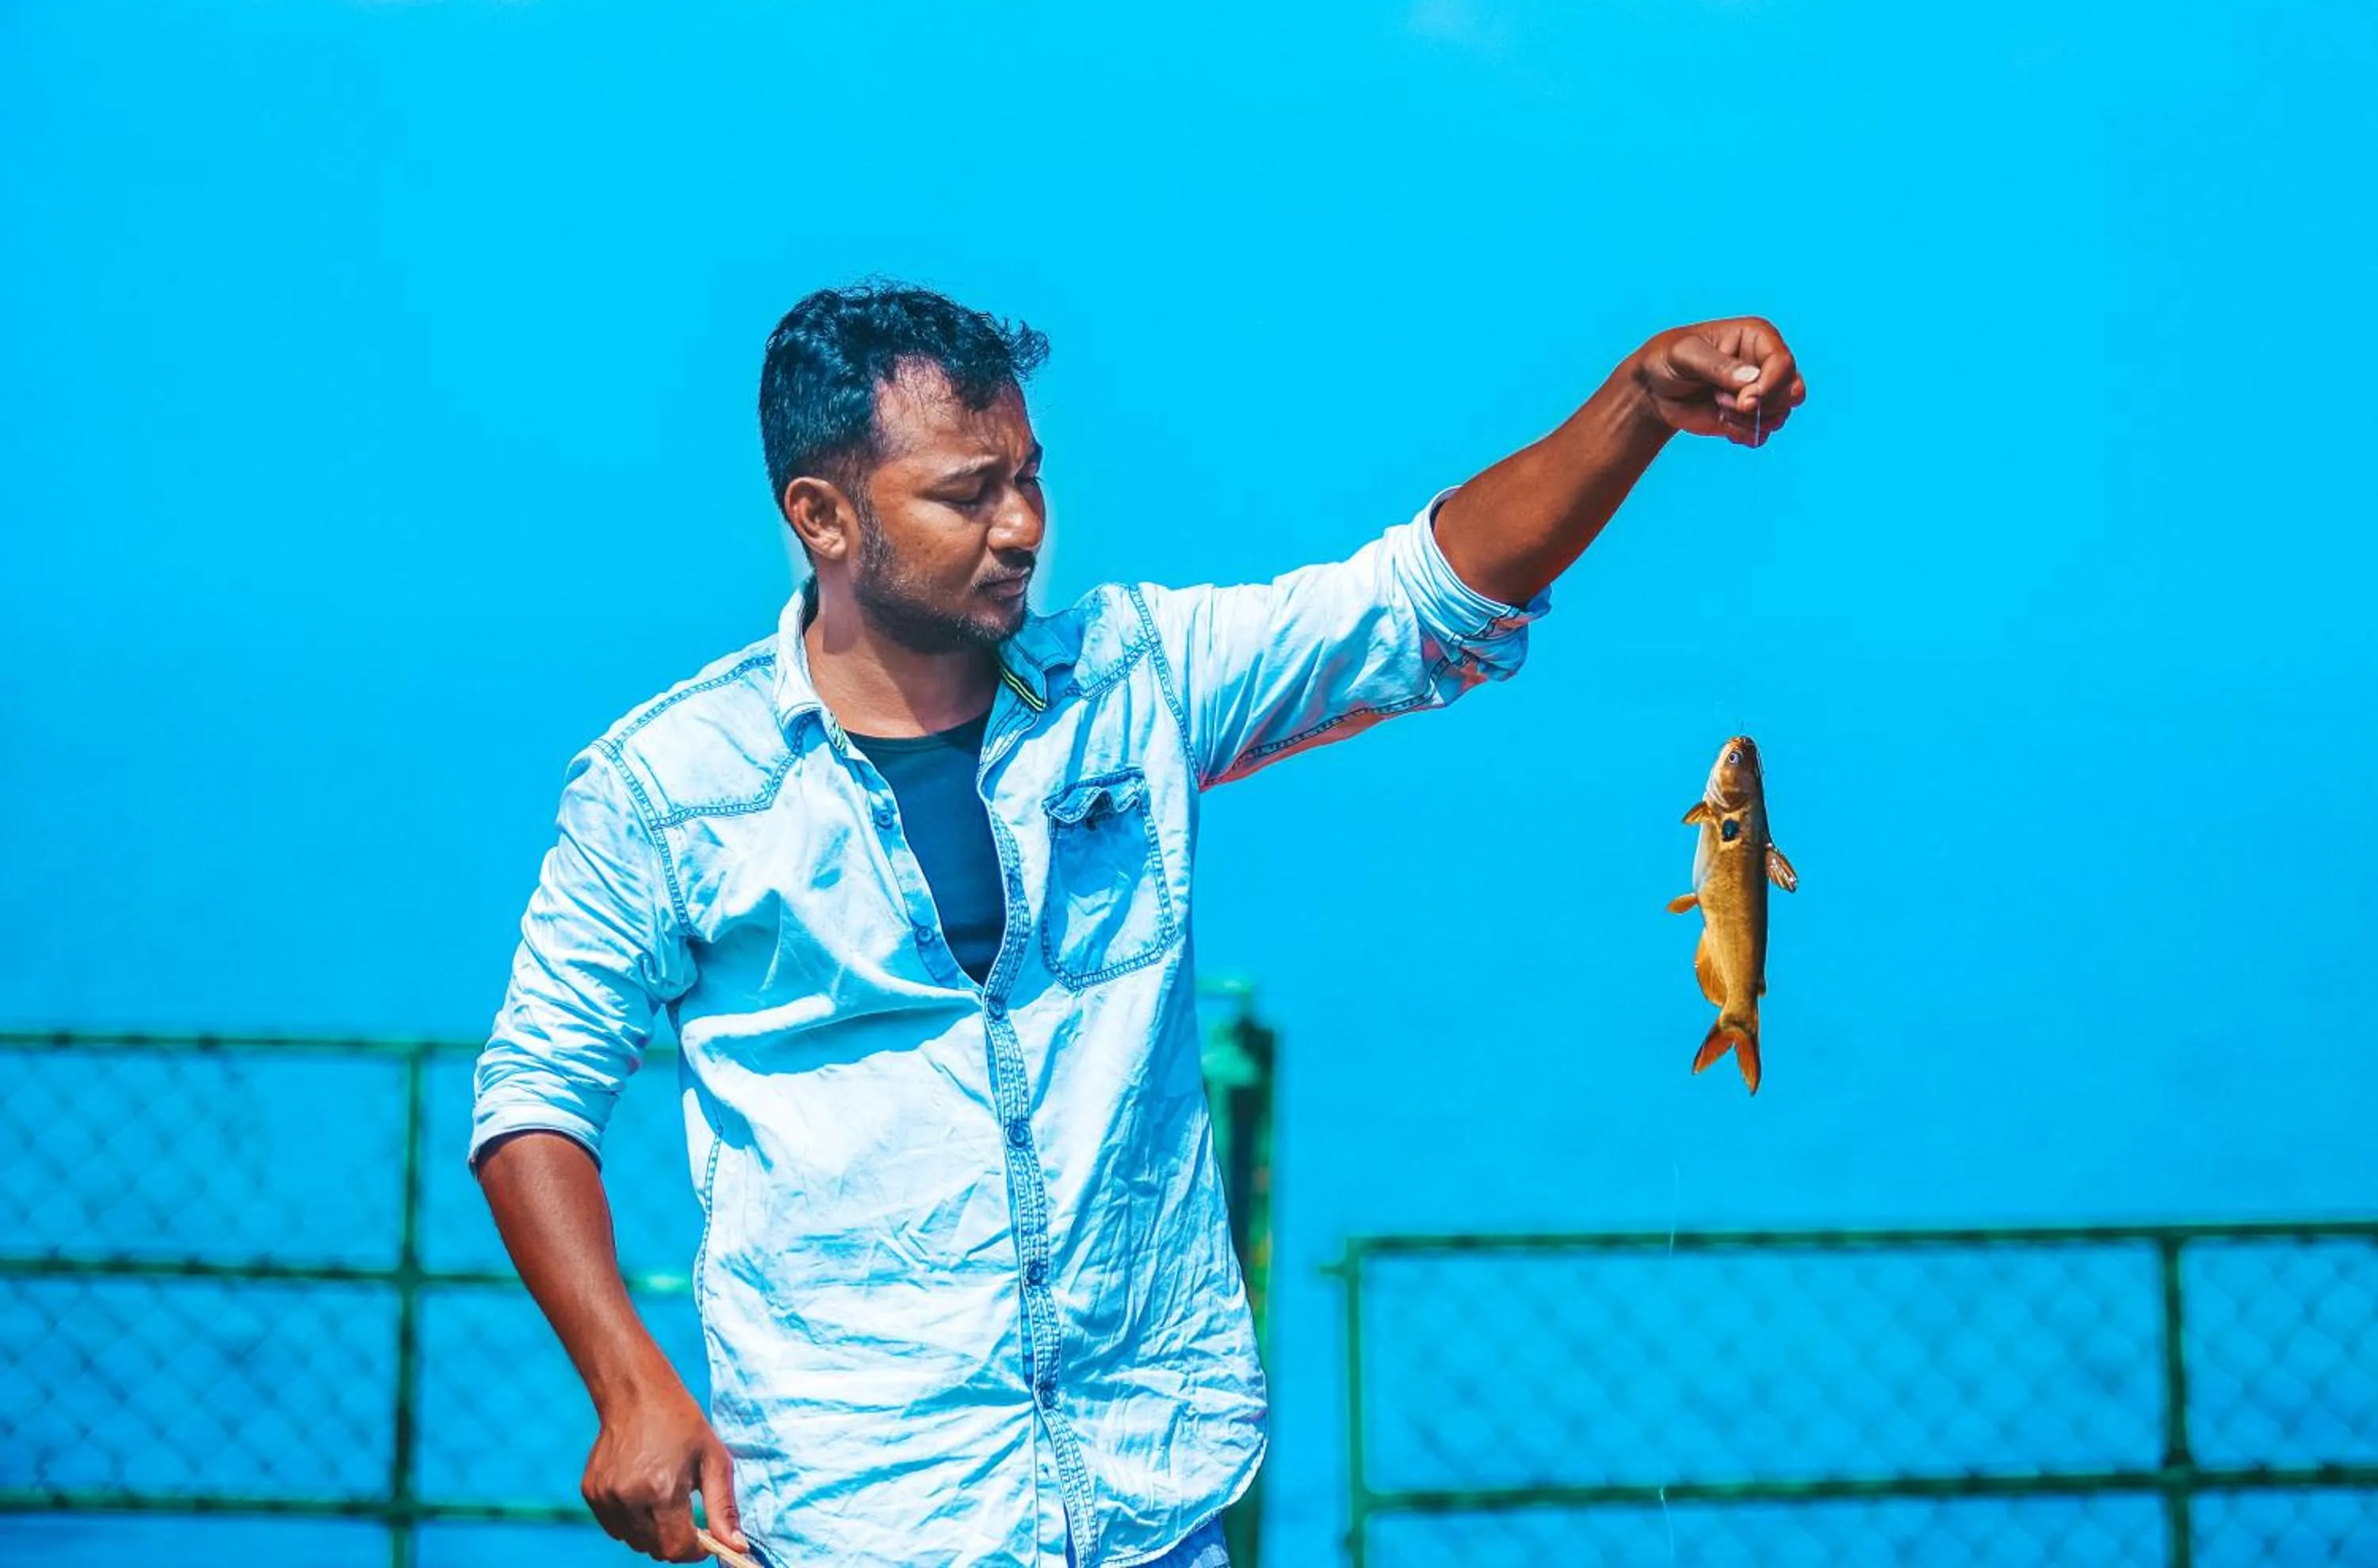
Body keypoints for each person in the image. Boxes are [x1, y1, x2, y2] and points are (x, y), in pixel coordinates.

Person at [468, 280, 1806, 1568]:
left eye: (1029, 475)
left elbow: (1418, 603)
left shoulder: (1135, 681)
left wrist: (1638, 400)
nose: (1022, 525)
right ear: (821, 515)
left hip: (1150, 1510)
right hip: (862, 1515)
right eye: (966, 492)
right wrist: (628, 1381)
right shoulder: (666, 790)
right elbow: (534, 1090)